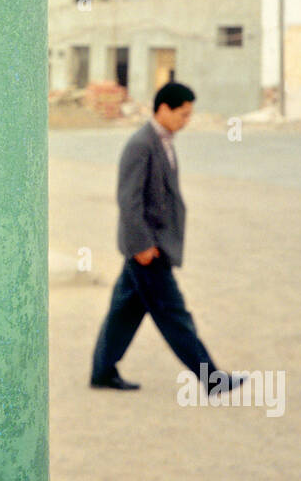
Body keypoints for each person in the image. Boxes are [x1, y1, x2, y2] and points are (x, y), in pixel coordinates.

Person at [89, 81, 246, 394]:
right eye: (183, 114)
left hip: (152, 246)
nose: (186, 121)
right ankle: (212, 379)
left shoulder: (163, 141)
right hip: (149, 250)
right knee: (175, 316)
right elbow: (128, 199)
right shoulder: (141, 144)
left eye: (189, 115)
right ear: (163, 109)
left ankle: (102, 372)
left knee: (124, 312)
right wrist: (142, 245)